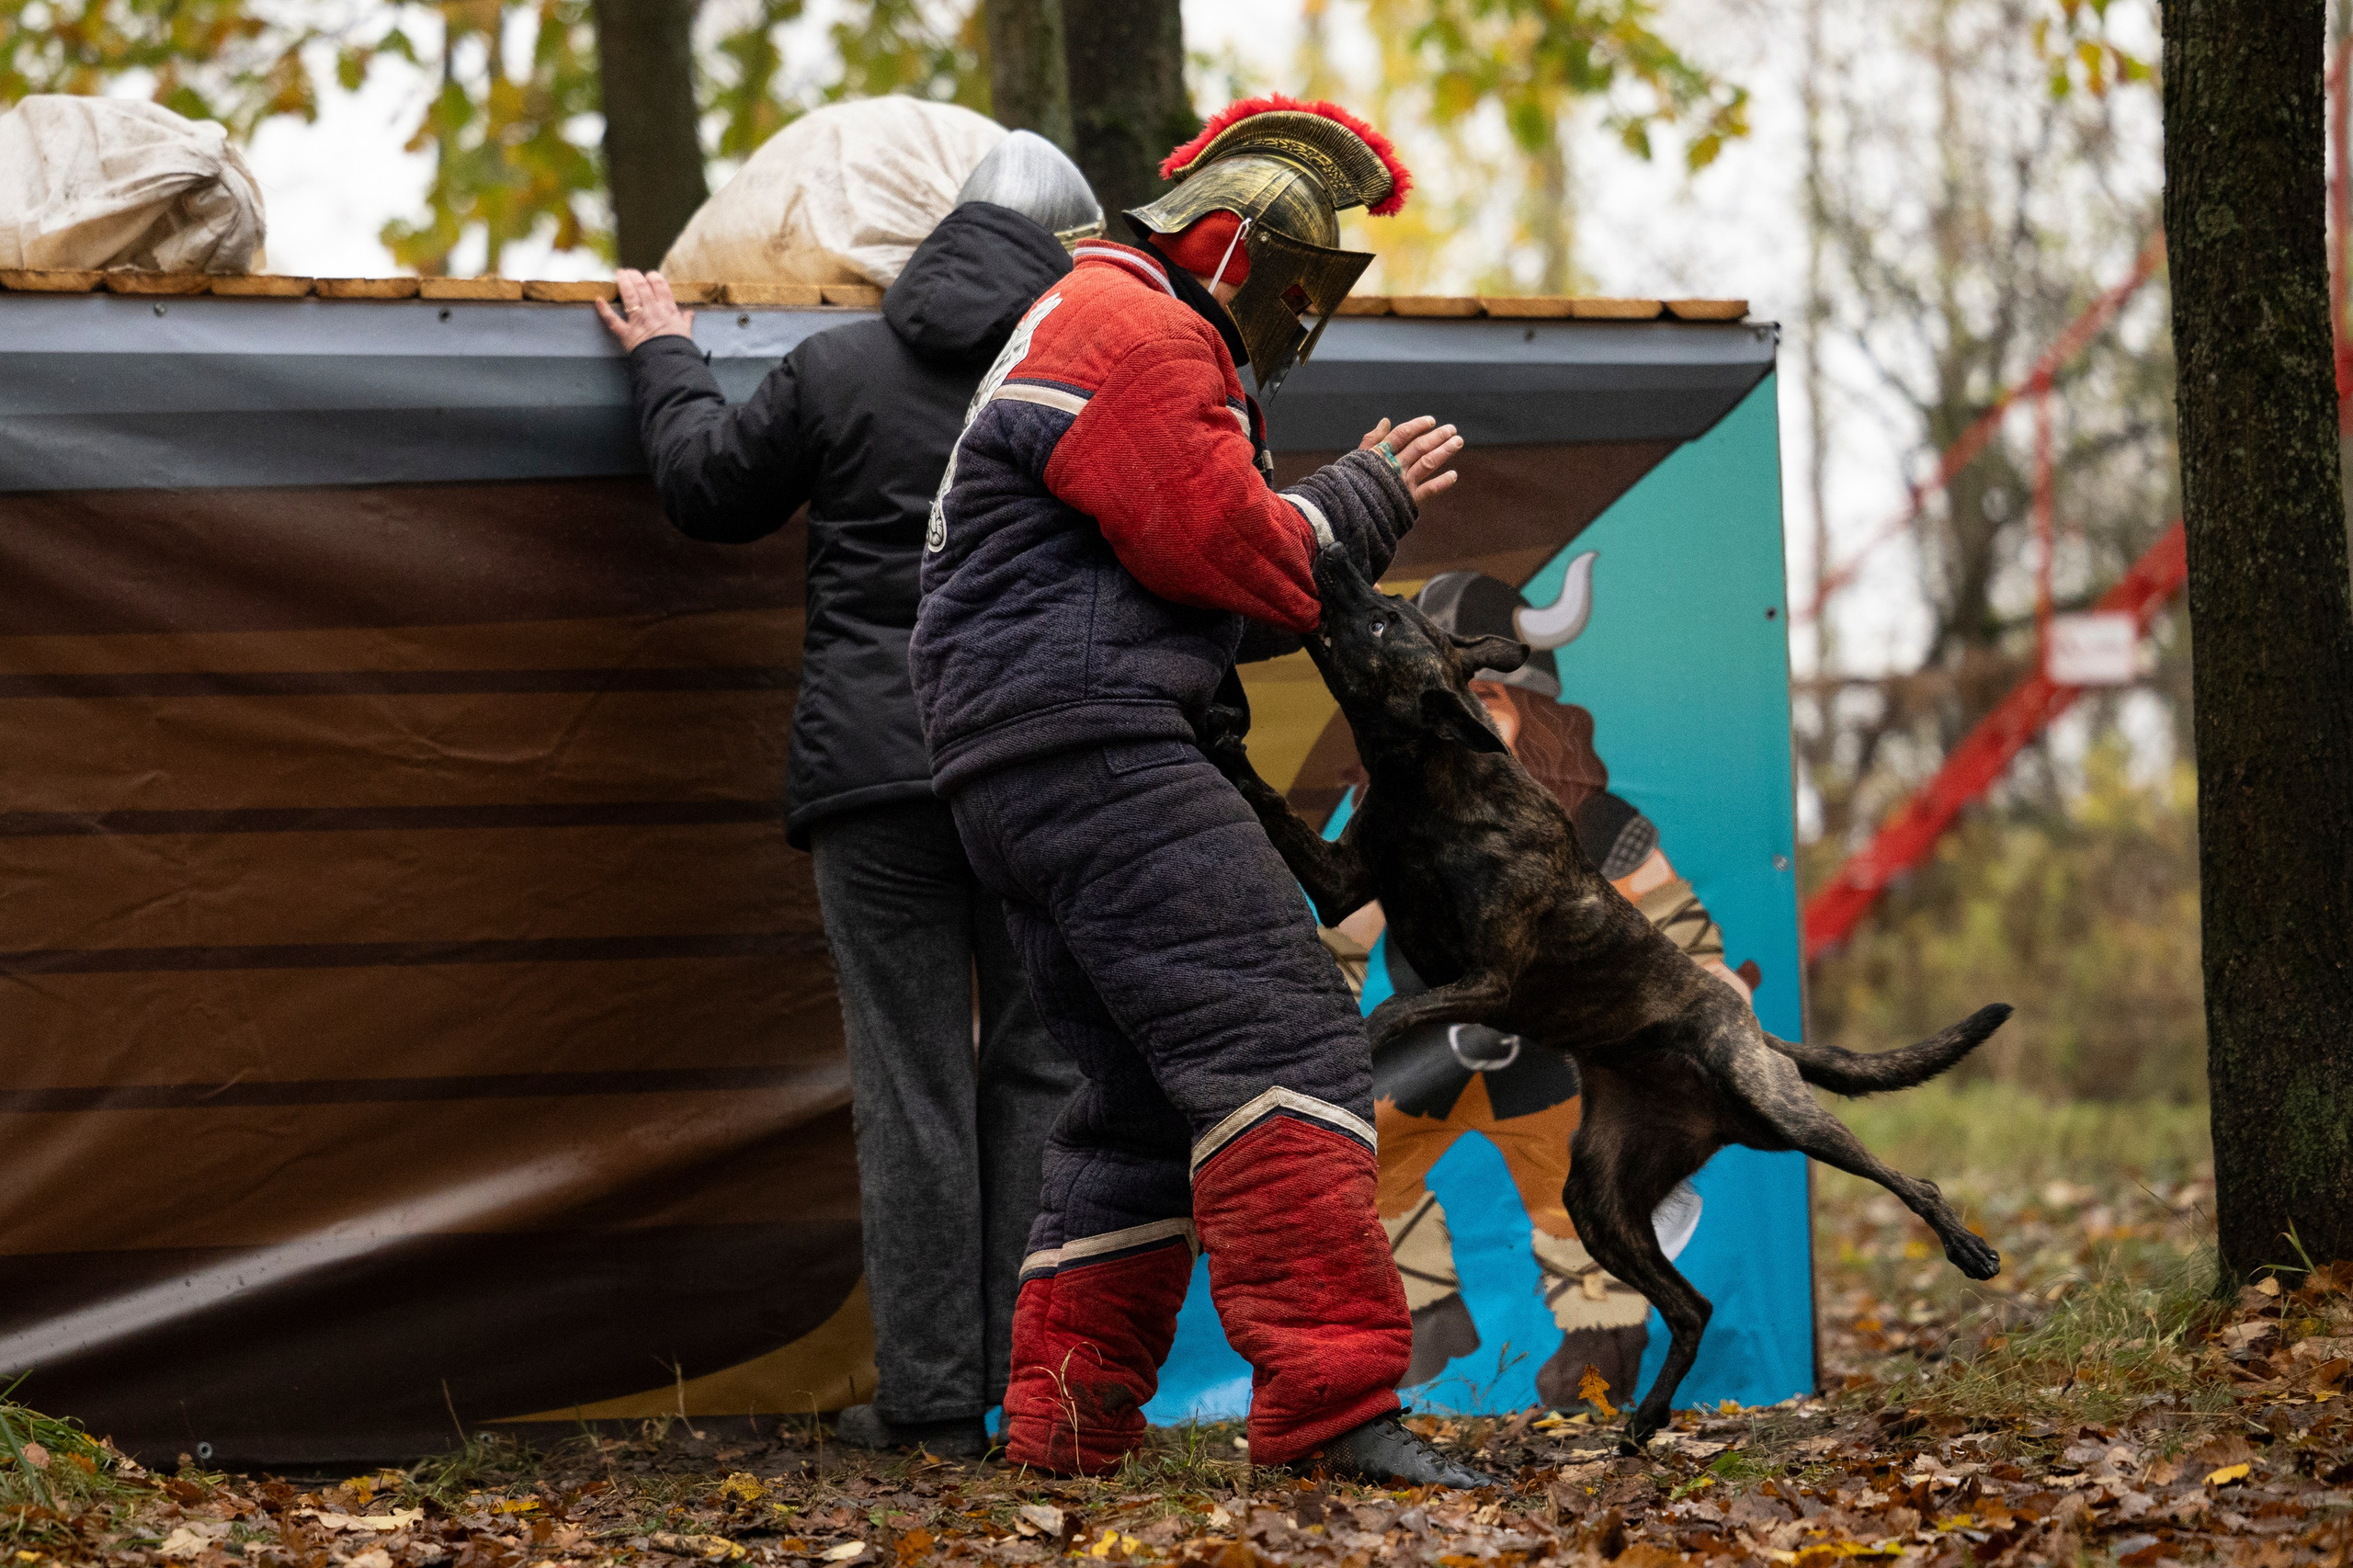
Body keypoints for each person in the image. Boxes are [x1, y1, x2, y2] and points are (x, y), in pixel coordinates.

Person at [909, 95, 1493, 1487]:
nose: (1302, 316)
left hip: (1018, 765)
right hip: (1096, 746)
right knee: (1283, 1035)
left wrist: (1334, 518)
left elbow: (1197, 585)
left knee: (1131, 1106)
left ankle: (1058, 1431)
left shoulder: (1078, 324)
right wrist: (1355, 501)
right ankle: (1336, 1407)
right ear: (1235, 252)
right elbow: (1234, 555)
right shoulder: (1137, 328)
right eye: (1300, 280)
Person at [595, 130, 1101, 1460]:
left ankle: (932, 1398)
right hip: (1030, 770)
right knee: (1045, 1069)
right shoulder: (1076, 380)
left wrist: (665, 354)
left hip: (875, 778)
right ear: (1064, 254)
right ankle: (1029, 1394)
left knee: (910, 1082)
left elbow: (706, 491)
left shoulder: (839, 364)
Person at [1324, 563, 1751, 1412]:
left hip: (1557, 1062)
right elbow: (1340, 938)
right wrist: (1316, 1014)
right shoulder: (1387, 810)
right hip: (1420, 1046)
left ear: (1539, 716)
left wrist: (1711, 991)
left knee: (1584, 1214)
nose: (1462, 720)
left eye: (1489, 701)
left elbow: (1677, 924)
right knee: (1349, 1166)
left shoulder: (1594, 821)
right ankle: (1424, 1320)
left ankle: (1597, 1366)